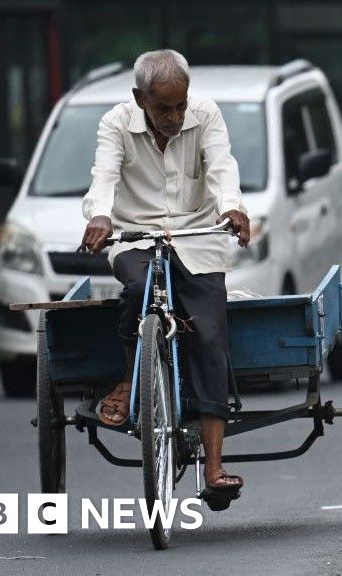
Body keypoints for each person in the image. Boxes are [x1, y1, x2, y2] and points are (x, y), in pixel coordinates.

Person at [80, 49, 250, 497]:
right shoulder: (115, 122)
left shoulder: (206, 115)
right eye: (163, 108)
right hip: (136, 237)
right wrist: (100, 216)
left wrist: (232, 207)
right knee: (138, 287)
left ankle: (214, 469)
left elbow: (222, 166)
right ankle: (129, 376)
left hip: (198, 237)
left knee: (211, 336)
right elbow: (103, 177)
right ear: (140, 100)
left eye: (180, 105)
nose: (175, 116)